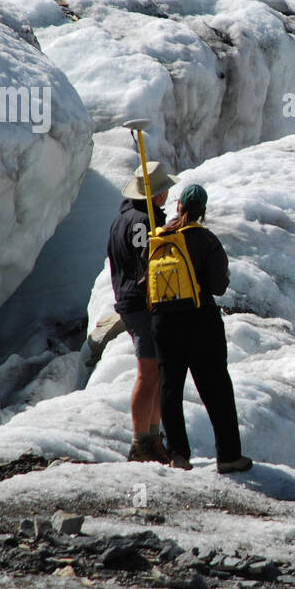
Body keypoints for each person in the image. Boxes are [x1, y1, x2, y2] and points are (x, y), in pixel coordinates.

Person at [151, 183, 253, 473]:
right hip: (200, 321)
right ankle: (229, 456)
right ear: (203, 212)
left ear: (178, 206)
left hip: (164, 322)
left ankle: (178, 454)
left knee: (170, 386)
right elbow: (218, 287)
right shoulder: (207, 241)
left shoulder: (159, 239)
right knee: (216, 387)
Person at [107, 159, 178, 463]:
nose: (166, 195)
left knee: (158, 372)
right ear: (156, 195)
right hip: (143, 304)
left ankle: (152, 438)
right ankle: (140, 442)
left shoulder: (124, 218)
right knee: (149, 372)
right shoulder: (143, 222)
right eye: (163, 190)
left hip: (132, 302)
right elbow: (146, 263)